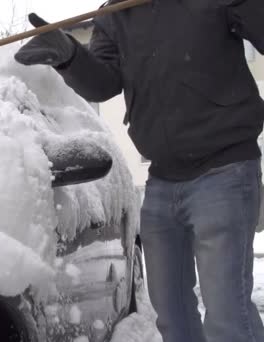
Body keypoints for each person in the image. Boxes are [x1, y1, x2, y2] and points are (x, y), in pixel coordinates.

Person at [14, 1, 264, 342]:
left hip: (225, 169)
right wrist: (69, 54)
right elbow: (104, 83)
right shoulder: (116, 12)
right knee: (172, 316)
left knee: (226, 316)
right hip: (162, 179)